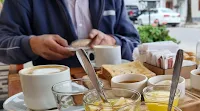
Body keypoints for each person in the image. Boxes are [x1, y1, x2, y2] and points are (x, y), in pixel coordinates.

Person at [0, 0, 140, 67]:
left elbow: (135, 45)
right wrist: (32, 45)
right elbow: (2, 46)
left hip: (112, 90)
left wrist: (113, 42)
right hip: (52, 94)